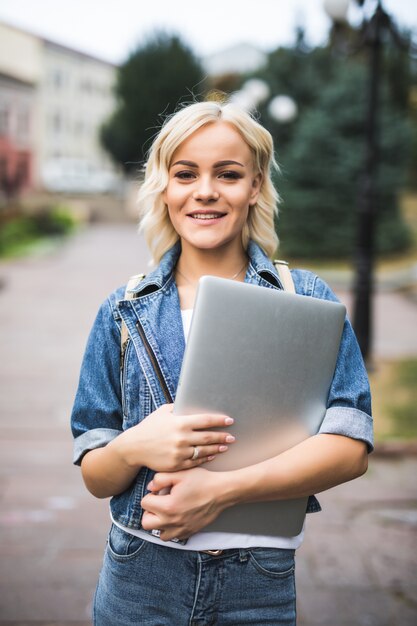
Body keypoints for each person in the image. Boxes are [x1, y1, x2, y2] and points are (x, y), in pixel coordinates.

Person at [71, 100, 373, 625]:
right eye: (185, 173)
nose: (205, 190)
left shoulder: (304, 298)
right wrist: (136, 443)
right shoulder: (122, 311)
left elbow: (350, 448)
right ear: (163, 185)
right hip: (140, 577)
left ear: (254, 186)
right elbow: (96, 474)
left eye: (228, 174)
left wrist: (221, 490)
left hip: (259, 580)